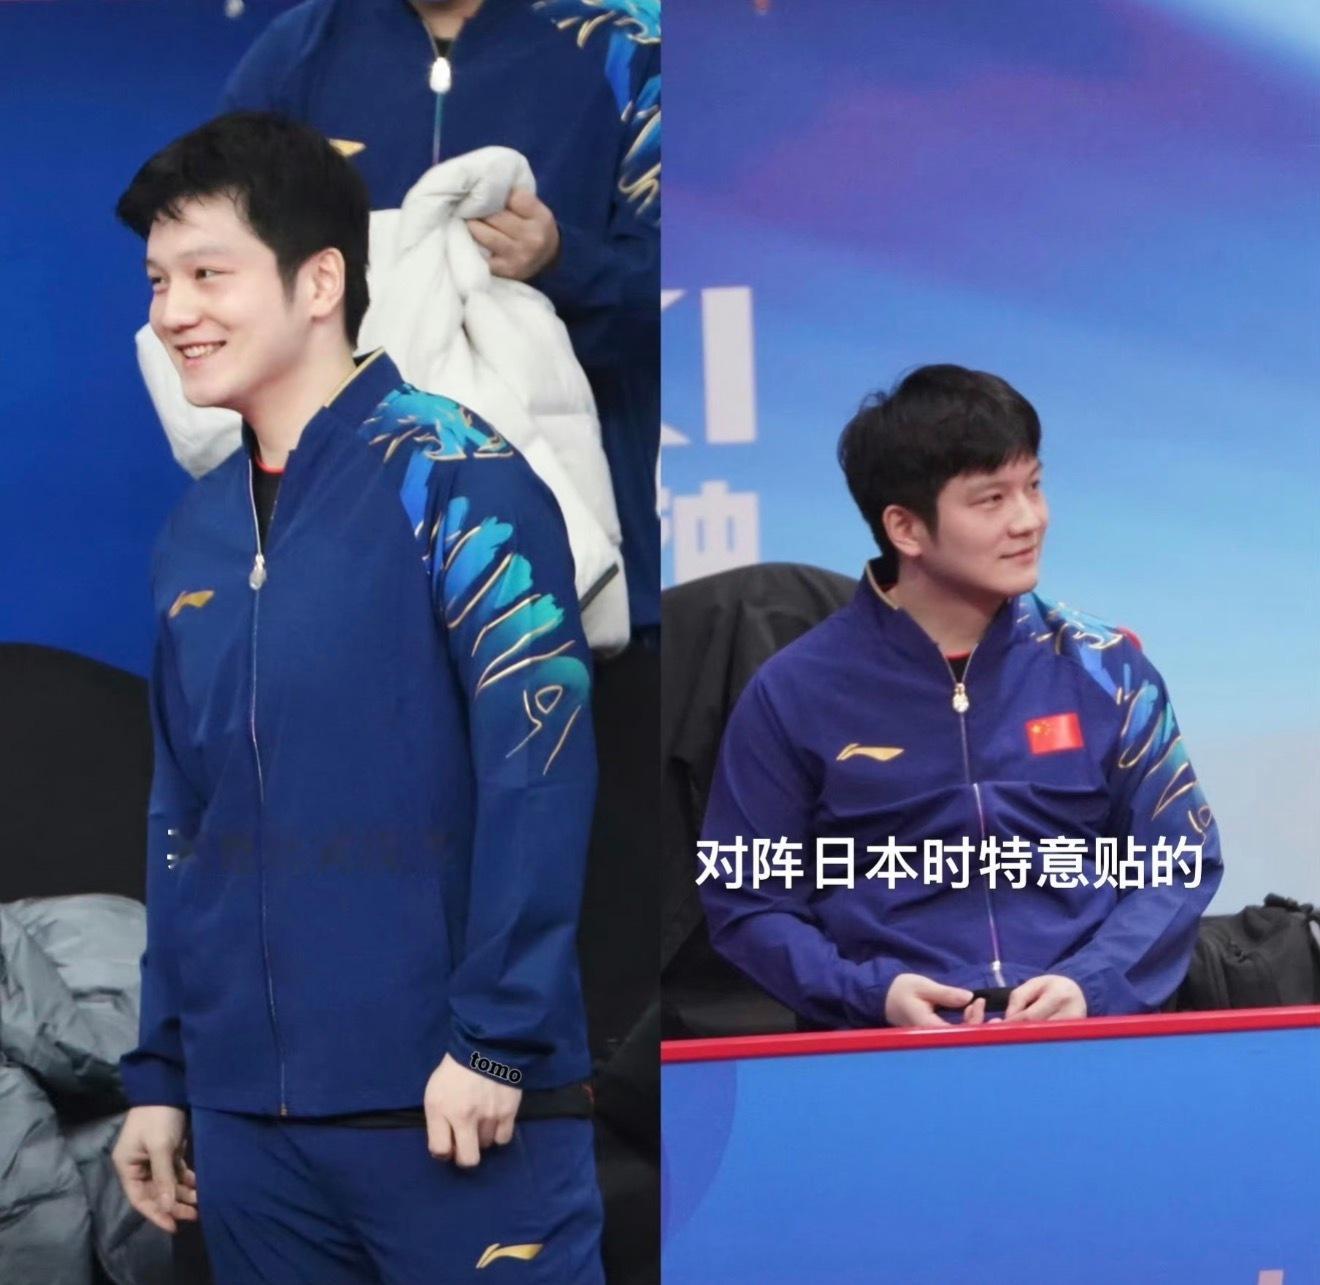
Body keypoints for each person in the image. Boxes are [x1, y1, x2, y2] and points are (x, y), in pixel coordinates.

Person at [110, 112, 603, 1282]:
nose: (174, 313)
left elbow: (540, 769)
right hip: (248, 1132)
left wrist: (497, 1038)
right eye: (160, 281)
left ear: (320, 280)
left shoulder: (461, 478)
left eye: (208, 274)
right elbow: (183, 817)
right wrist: (164, 1073)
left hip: (454, 1097)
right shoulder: (195, 533)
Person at [698, 364, 1222, 1030]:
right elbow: (745, 898)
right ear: (906, 528)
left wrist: (1093, 983)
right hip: (879, 1051)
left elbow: (1179, 859)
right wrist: (868, 994)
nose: (1029, 520)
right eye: (992, 499)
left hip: (1086, 1030)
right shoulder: (792, 691)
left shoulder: (1107, 668)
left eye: (1033, 486)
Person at [220, 0, 661, 640]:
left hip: (571, 542)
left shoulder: (617, 49)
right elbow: (218, 259)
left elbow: (679, 287)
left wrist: (561, 259)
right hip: (339, 548)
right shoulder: (297, 52)